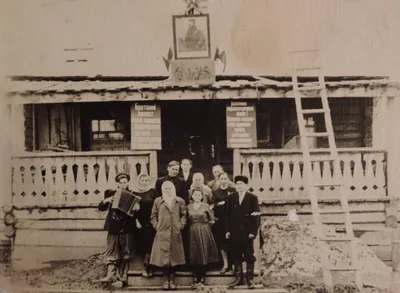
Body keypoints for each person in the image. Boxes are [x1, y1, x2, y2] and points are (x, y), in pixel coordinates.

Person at [98, 172, 140, 283]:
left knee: (125, 251)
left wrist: (136, 208)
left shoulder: (132, 194)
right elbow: (101, 208)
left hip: (127, 227)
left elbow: (135, 213)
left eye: (125, 182)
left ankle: (122, 276)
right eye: (120, 183)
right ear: (117, 183)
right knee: (112, 249)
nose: (123, 184)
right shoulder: (110, 193)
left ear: (128, 183)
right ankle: (110, 275)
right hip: (113, 226)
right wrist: (106, 201)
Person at [150, 181, 187, 290]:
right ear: (162, 190)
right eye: (165, 188)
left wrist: (180, 225)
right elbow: (153, 216)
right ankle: (165, 280)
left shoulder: (179, 201)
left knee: (174, 256)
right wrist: (157, 226)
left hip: (175, 232)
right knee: (164, 258)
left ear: (173, 189)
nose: (168, 190)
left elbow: (184, 215)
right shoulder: (158, 201)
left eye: (170, 188)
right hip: (162, 232)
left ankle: (172, 279)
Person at [225, 175, 260, 289]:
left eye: (241, 184)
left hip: (247, 233)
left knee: (249, 255)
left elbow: (256, 216)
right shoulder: (231, 197)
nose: (239, 186)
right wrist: (227, 230)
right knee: (236, 255)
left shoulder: (252, 197)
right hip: (235, 232)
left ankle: (249, 279)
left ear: (246, 185)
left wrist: (253, 232)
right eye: (237, 184)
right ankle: (238, 279)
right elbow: (227, 216)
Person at [187, 188, 219, 287]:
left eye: (199, 195)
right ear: (192, 196)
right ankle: (195, 274)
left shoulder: (206, 206)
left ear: (202, 196)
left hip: (204, 230)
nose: (197, 196)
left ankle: (202, 275)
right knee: (194, 252)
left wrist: (205, 225)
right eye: (195, 194)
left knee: (203, 251)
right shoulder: (188, 207)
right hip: (192, 231)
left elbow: (212, 220)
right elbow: (185, 219)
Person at [210, 172, 236, 274]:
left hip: (232, 220)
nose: (224, 180)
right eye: (222, 179)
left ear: (228, 180)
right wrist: (218, 204)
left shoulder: (233, 191)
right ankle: (225, 265)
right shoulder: (216, 192)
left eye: (225, 178)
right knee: (222, 243)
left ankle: (234, 265)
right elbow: (212, 206)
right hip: (221, 220)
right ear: (219, 180)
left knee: (233, 242)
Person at [131, 173, 157, 278]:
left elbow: (157, 205)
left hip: (151, 220)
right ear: (139, 181)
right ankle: (144, 267)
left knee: (150, 244)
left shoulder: (153, 191)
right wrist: (136, 220)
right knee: (143, 244)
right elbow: (131, 209)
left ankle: (149, 266)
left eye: (147, 180)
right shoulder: (134, 192)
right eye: (143, 180)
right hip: (140, 221)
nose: (145, 182)